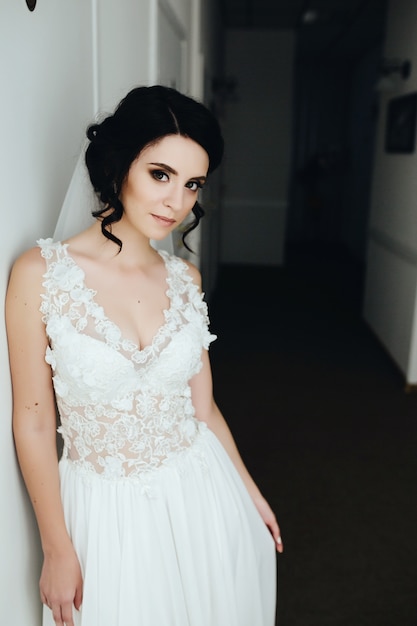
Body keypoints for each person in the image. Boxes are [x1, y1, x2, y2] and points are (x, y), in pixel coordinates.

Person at [6, 85, 282, 626]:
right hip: (105, 513)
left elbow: (202, 410)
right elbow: (34, 422)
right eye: (160, 175)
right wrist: (56, 548)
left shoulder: (185, 280)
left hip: (201, 490)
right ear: (119, 166)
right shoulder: (40, 275)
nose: (176, 203)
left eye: (192, 185)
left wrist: (249, 489)